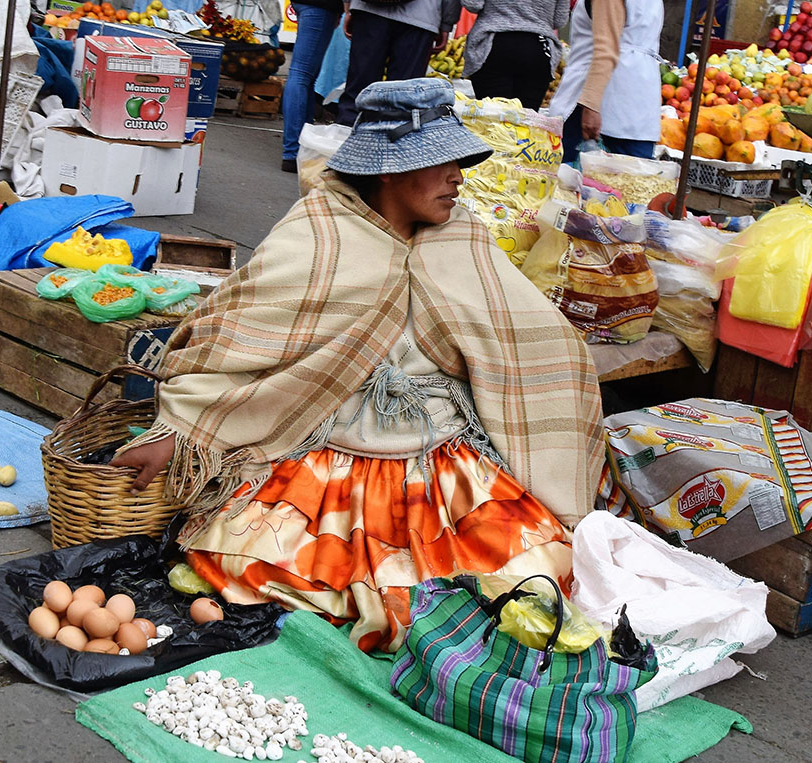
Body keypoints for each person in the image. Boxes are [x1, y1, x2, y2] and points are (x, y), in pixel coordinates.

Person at [112, 78, 605, 653]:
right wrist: (179, 431)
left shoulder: (461, 236)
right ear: (391, 171)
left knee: (531, 564)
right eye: (444, 162)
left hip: (441, 461)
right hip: (328, 452)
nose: (459, 177)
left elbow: (527, 343)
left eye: (460, 163)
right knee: (265, 565)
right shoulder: (319, 236)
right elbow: (238, 341)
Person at [548, 0, 664, 160]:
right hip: (640, 100)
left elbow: (606, 50)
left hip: (600, 95)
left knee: (566, 177)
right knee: (633, 177)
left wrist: (591, 105)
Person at [335, 0, 461, 126]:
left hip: (369, 10)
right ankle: (392, 135)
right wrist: (446, 24)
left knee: (360, 83)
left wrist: (348, 7)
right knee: (403, 93)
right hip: (421, 16)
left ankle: (346, 129)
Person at [461, 0, 569, 110]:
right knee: (526, 121)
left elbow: (472, 4)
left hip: (494, 43)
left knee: (492, 117)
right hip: (538, 47)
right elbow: (559, 20)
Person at [282, 0, 344, 173]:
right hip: (320, 5)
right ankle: (292, 151)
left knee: (305, 77)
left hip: (306, 4)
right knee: (301, 75)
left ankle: (302, 148)